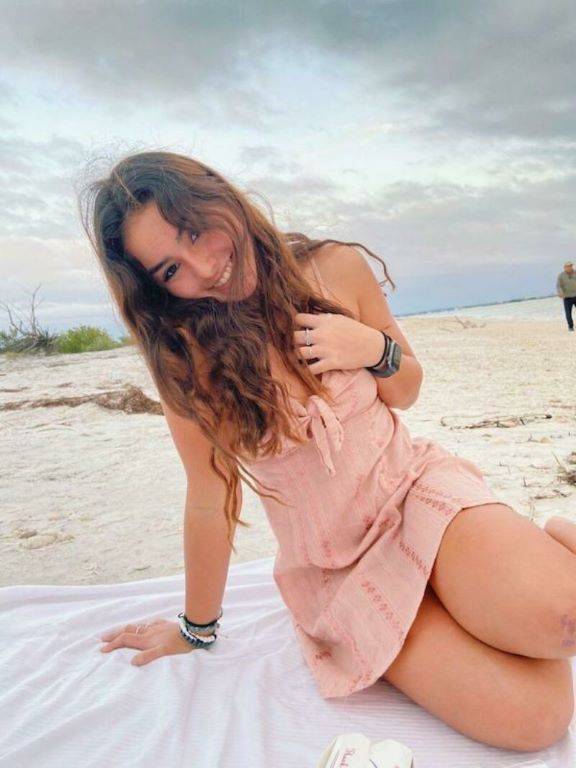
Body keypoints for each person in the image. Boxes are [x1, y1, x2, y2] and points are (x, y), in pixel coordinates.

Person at [81, 151, 576, 752]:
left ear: (220, 196)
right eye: (169, 269)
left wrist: (371, 348)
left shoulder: (335, 268)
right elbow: (209, 497)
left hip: (420, 495)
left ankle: (537, 554)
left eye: (194, 231)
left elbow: (406, 390)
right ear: (156, 288)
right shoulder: (188, 358)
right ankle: (483, 601)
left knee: (566, 616)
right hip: (337, 569)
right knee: (536, 721)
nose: (204, 268)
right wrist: (196, 629)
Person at [557, 261, 576, 331]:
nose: (569, 267)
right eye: (568, 266)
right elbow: (559, 285)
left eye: (571, 266)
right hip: (567, 297)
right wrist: (560, 292)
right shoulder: (561, 275)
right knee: (568, 314)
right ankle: (570, 327)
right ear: (564, 267)